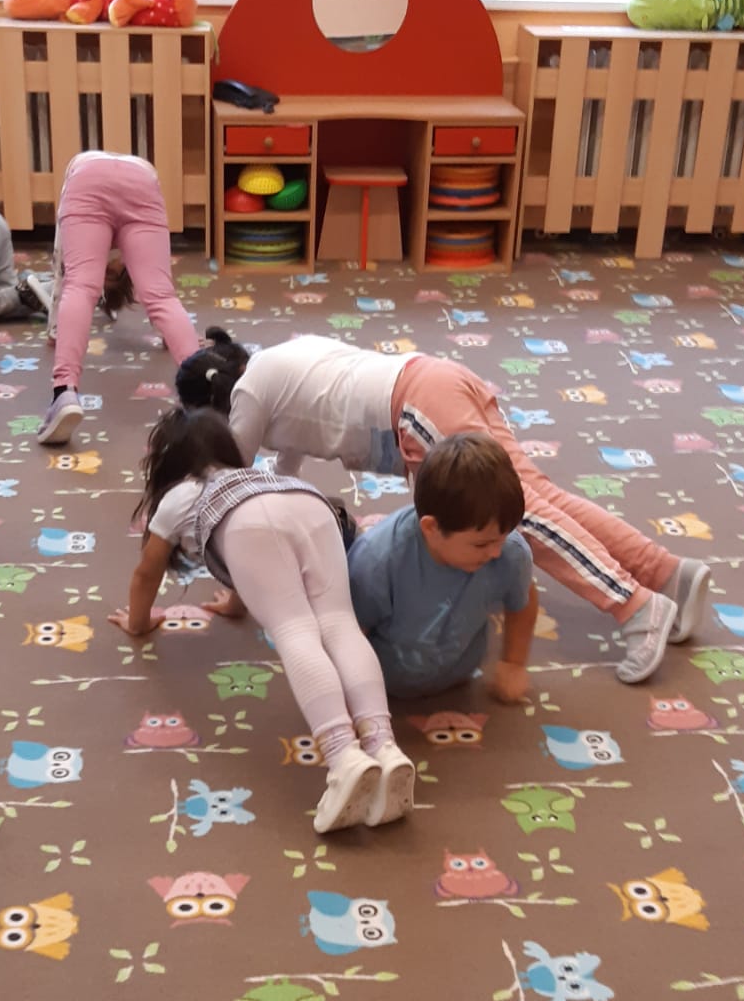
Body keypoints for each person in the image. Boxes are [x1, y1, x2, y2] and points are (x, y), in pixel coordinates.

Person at [176, 330, 711, 686]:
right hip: (436, 379)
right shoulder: (275, 364)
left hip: (414, 407)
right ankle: (665, 573)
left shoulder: (249, 395)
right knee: (536, 496)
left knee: (516, 515)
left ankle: (634, 606)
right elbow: (279, 476)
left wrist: (237, 584)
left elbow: (236, 494)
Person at [113, 409, 414, 834]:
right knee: (340, 624)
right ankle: (384, 745)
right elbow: (259, 556)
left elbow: (148, 572)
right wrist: (236, 604)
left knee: (295, 630)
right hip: (311, 503)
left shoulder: (180, 494)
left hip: (251, 524)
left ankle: (343, 755)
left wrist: (139, 623)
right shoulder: (257, 475)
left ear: (167, 464)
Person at [349, 434, 539, 703]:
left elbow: (523, 599)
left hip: (461, 678)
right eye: (482, 544)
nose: (495, 552)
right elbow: (350, 632)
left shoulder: (510, 553)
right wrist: (357, 697)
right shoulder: (377, 561)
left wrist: (514, 663)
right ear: (431, 528)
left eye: (502, 537)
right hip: (382, 688)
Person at [41, 151, 201, 447]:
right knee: (161, 295)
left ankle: (64, 393)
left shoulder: (78, 174)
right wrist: (171, 338)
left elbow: (61, 273)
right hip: (142, 181)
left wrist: (54, 330)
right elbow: (162, 291)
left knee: (79, 286)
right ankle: (203, 394)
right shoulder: (125, 263)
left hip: (86, 178)